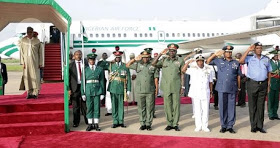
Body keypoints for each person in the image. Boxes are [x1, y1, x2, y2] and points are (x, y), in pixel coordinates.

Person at [206, 45, 241, 134]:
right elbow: (207, 61)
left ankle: (230, 126)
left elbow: (238, 75)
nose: (229, 53)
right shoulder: (219, 61)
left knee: (231, 107)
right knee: (222, 107)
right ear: (224, 53)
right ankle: (223, 125)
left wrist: (239, 87)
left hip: (232, 87)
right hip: (222, 87)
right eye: (227, 52)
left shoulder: (236, 62)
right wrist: (215, 55)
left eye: (230, 52)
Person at [239, 42, 272, 133]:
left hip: (263, 84)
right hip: (252, 84)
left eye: (260, 48)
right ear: (254, 49)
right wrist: (248, 50)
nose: (259, 50)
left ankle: (260, 126)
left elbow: (269, 72)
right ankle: (253, 126)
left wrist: (268, 84)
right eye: (257, 48)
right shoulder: (250, 58)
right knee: (252, 106)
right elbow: (241, 61)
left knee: (261, 106)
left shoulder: (266, 59)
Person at [152, 43, 185, 131]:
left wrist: (183, 86)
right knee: (167, 106)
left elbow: (182, 74)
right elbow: (153, 64)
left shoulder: (180, 60)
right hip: (166, 86)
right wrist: (159, 54)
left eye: (173, 51)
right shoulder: (163, 60)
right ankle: (169, 123)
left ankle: (175, 124)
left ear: (176, 51)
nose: (171, 52)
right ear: (168, 51)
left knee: (176, 106)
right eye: (170, 51)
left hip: (176, 86)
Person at [126, 50, 159, 131]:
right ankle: (142, 123)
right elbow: (127, 65)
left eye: (147, 57)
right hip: (140, 90)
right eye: (144, 57)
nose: (145, 59)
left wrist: (156, 89)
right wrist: (134, 59)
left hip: (150, 90)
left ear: (149, 57)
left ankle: (148, 124)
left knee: (149, 108)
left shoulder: (153, 65)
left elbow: (156, 79)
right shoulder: (137, 64)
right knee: (141, 108)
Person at [182, 54, 213, 132]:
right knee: (197, 110)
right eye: (198, 61)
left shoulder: (209, 69)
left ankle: (205, 126)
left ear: (203, 61)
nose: (200, 62)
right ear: (196, 62)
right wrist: (188, 62)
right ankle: (198, 126)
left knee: (205, 110)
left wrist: (211, 91)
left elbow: (210, 82)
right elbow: (183, 70)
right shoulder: (193, 69)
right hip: (196, 92)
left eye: (201, 61)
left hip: (205, 91)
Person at [81, 52, 105, 131]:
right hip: (88, 90)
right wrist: (83, 93)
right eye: (90, 60)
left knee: (97, 108)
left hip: (97, 90)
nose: (92, 61)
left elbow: (102, 81)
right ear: (88, 60)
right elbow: (83, 83)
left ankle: (96, 124)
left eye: (93, 59)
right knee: (89, 108)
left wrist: (102, 92)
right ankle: (90, 124)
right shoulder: (85, 70)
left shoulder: (100, 69)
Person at [108, 50, 131, 128]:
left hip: (122, 88)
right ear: (115, 57)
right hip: (113, 88)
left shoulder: (125, 66)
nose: (118, 58)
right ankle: (115, 121)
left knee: (121, 105)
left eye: (119, 57)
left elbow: (129, 78)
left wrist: (128, 90)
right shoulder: (111, 65)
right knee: (114, 105)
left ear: (121, 57)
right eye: (116, 57)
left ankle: (121, 121)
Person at [19, 27, 43, 99]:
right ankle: (29, 93)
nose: (29, 33)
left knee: (36, 77)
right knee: (28, 77)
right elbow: (21, 52)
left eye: (30, 32)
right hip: (26, 62)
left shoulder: (37, 41)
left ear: (33, 32)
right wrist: (22, 62)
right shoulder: (23, 40)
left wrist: (40, 63)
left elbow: (40, 53)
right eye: (28, 32)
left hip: (35, 62)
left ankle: (35, 93)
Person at [69, 50, 88, 127]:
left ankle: (87, 120)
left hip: (84, 87)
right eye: (77, 54)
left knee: (85, 105)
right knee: (75, 106)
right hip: (74, 87)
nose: (78, 56)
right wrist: (69, 89)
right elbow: (68, 78)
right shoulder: (71, 65)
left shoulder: (85, 64)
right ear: (74, 55)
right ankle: (76, 122)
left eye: (80, 54)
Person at [267, 53, 280, 120]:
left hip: (278, 83)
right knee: (270, 99)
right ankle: (271, 114)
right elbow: (267, 72)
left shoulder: (279, 62)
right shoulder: (269, 63)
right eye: (275, 55)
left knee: (276, 99)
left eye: (277, 55)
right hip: (271, 82)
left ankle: (275, 114)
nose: (276, 56)